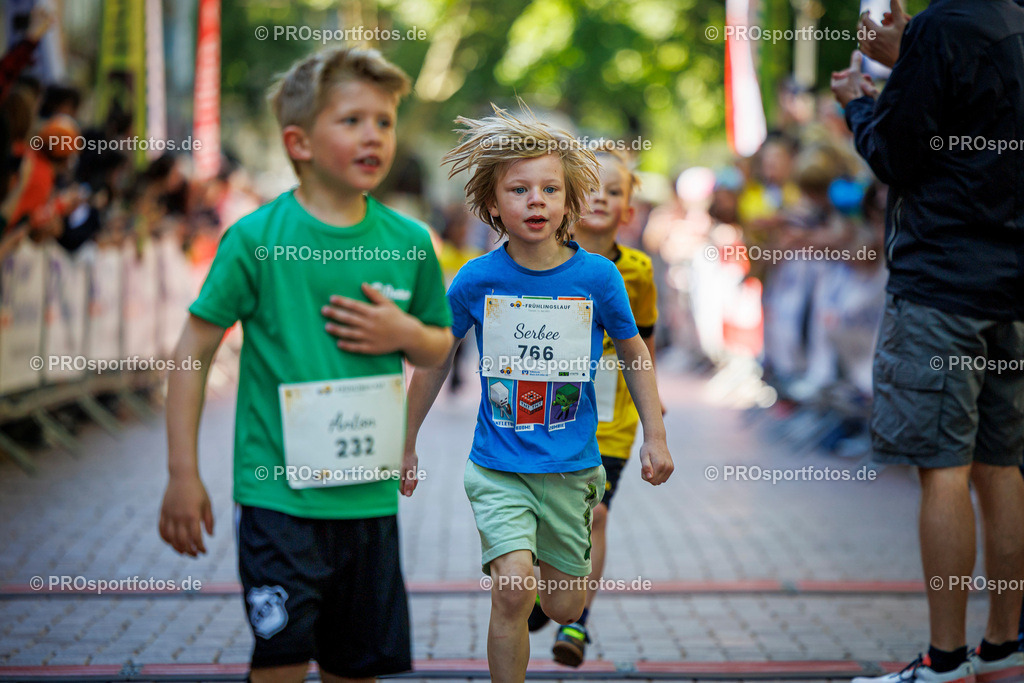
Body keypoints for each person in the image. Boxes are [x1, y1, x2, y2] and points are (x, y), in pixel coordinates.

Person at [158, 46, 453, 683]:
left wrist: (406, 333)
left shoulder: (409, 243)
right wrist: (183, 471)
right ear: (299, 142)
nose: (374, 134)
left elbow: (439, 344)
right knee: (282, 664)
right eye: (351, 120)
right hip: (278, 501)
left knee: (356, 670)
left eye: (384, 120)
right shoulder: (256, 239)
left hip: (368, 505)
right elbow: (194, 349)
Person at [395, 106, 673, 683]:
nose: (536, 200)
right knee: (514, 591)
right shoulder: (476, 278)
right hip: (498, 467)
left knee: (563, 605)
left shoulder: (599, 277)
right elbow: (434, 360)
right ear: (493, 204)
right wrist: (406, 440)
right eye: (519, 190)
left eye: (550, 189)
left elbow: (635, 353)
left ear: (571, 202)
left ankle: (559, 585)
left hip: (573, 469)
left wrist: (656, 435)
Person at [831, 1, 1024, 680]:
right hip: (1012, 286)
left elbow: (895, 152)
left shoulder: (946, 24)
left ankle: (945, 660)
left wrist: (862, 100)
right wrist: (906, 55)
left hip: (943, 283)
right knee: (1001, 465)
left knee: (941, 465)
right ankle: (1003, 643)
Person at [521, 145, 660, 667]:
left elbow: (644, 343)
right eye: (592, 186)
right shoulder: (542, 261)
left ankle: (577, 621)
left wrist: (654, 408)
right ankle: (544, 586)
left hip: (611, 421)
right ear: (573, 199)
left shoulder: (640, 271)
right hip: (549, 417)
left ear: (628, 210)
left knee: (594, 514)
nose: (602, 196)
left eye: (616, 190)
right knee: (545, 515)